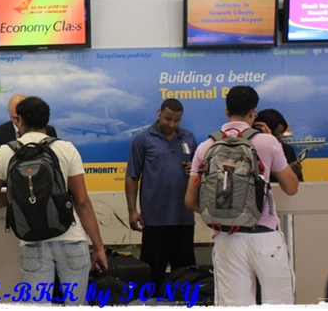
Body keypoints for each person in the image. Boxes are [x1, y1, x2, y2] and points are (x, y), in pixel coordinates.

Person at [0, 96, 107, 305]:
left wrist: (16, 196)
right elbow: (82, 201)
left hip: (31, 241)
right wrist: (99, 247)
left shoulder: (6, 152)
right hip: (71, 238)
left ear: (20, 120)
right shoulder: (66, 148)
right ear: (46, 121)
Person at [185, 86, 299, 306]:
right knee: (279, 303)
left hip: (226, 239)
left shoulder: (205, 147)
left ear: (226, 110)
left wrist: (224, 213)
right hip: (265, 236)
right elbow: (291, 187)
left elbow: (190, 201)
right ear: (253, 112)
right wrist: (274, 144)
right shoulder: (267, 142)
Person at [124, 98, 197, 291]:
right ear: (159, 113)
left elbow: (200, 172)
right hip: (155, 220)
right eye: (168, 119)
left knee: (185, 276)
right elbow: (132, 177)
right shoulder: (142, 139)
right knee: (153, 274)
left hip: (183, 218)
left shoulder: (189, 138)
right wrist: (132, 211)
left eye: (176, 120)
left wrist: (194, 169)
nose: (172, 124)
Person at [0, 94, 58, 176]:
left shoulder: (48, 131)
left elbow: (56, 163)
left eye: (21, 117)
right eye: (14, 118)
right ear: (9, 113)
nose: (18, 122)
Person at [255, 109, 304, 182]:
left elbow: (299, 183)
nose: (280, 136)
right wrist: (285, 172)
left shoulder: (288, 150)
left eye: (282, 132)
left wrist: (295, 173)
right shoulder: (253, 151)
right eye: (275, 134)